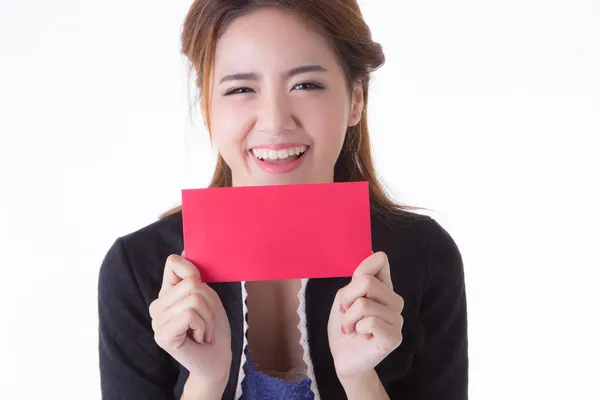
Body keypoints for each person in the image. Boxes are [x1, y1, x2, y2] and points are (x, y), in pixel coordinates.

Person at [97, 1, 469, 399]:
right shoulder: (137, 268)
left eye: (306, 85)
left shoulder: (425, 254)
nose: (275, 121)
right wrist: (205, 380)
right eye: (241, 89)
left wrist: (360, 379)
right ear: (208, 108)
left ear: (356, 99)